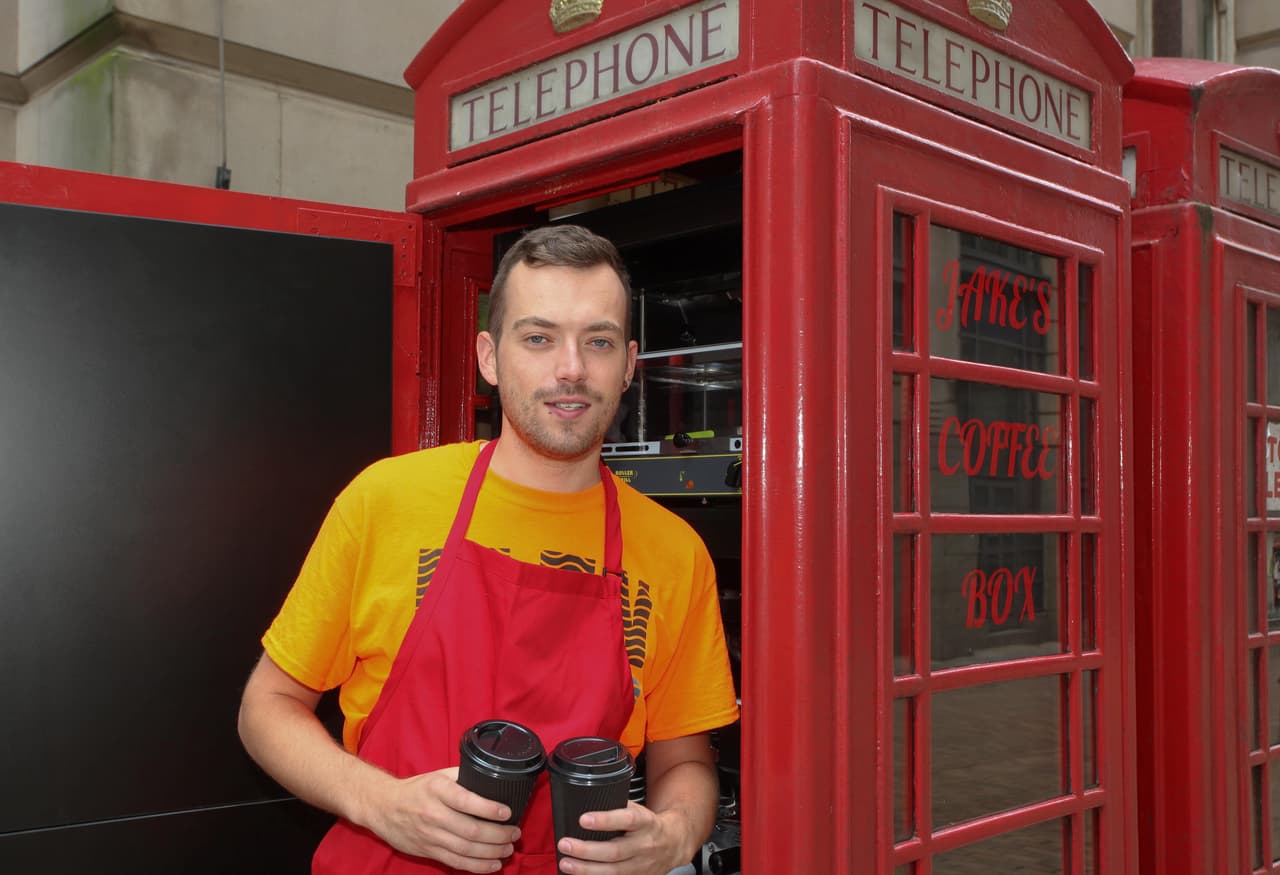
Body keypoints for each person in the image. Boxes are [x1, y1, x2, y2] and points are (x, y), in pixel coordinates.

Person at [238, 224, 739, 875]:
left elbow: (686, 758)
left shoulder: (674, 551)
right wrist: (382, 802)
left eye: (599, 341)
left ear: (629, 366)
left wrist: (673, 835)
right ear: (489, 356)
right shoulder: (387, 501)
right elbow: (265, 708)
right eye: (538, 337)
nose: (571, 367)